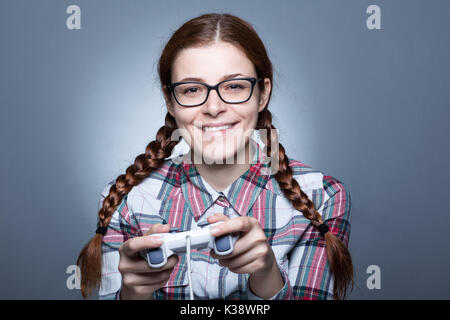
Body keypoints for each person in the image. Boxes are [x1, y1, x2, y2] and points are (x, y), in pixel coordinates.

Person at [77, 13, 354, 300]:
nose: (213, 107)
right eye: (192, 89)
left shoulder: (322, 197)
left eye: (234, 86)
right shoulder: (128, 199)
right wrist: (133, 294)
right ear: (170, 102)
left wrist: (267, 276)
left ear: (262, 94)